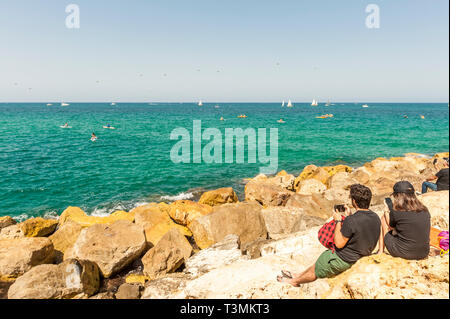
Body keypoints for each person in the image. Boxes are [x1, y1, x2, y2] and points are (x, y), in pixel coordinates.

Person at [277, 184, 381, 286]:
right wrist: (349, 216)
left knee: (316, 270)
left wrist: (338, 221)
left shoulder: (352, 221)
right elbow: (360, 228)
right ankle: (297, 275)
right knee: (320, 261)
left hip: (344, 260)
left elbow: (339, 244)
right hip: (360, 255)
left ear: (354, 201)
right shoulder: (375, 217)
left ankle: (293, 282)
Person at [378, 181, 430, 260]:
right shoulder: (424, 210)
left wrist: (386, 211)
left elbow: (390, 226)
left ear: (397, 196)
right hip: (423, 252)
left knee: (383, 219)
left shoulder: (397, 211)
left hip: (404, 253)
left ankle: (380, 251)